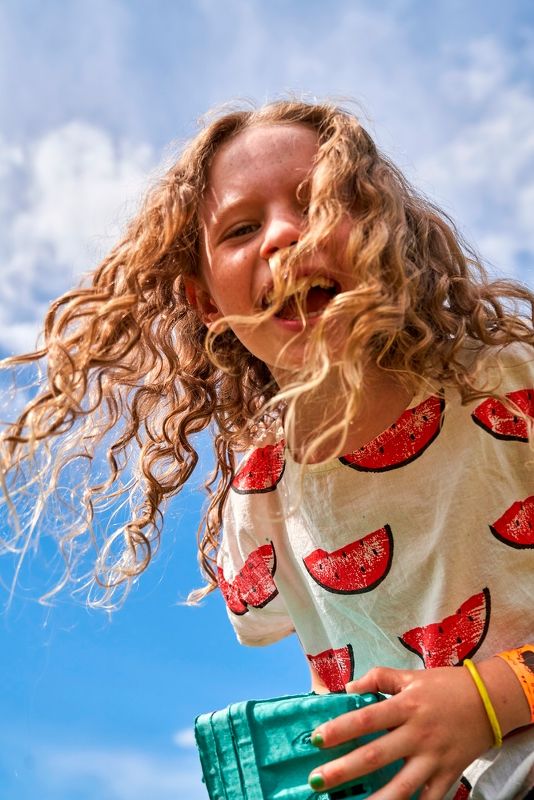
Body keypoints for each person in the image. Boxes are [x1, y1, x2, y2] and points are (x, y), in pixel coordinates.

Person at [1, 100, 532, 799]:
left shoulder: (508, 385)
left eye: (319, 203)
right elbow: (342, 681)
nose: (284, 233)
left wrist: (494, 696)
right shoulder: (258, 503)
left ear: (382, 230)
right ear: (206, 302)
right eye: (243, 228)